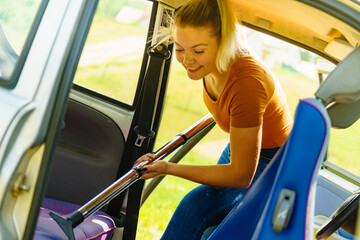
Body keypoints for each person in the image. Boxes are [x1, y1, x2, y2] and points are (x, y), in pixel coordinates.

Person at [134, 0, 293, 239]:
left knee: (194, 211)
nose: (187, 60)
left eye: (198, 51)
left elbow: (240, 175)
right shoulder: (210, 67)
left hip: (274, 164)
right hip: (242, 151)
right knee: (210, 228)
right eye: (179, 49)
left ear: (224, 43)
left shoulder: (248, 83)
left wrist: (168, 168)